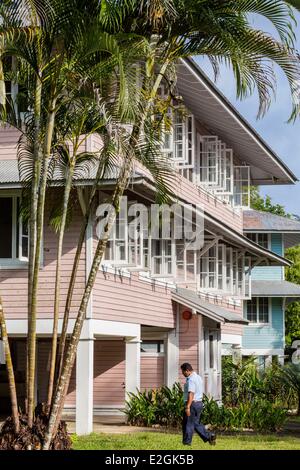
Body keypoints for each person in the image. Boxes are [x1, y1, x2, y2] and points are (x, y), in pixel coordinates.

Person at [181, 362, 216, 446]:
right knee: (195, 424)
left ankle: (187, 443)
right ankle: (210, 436)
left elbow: (191, 393)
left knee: (188, 424)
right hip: (199, 403)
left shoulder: (191, 379)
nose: (182, 374)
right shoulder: (198, 377)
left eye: (183, 372)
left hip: (192, 404)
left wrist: (188, 407)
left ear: (187, 370)